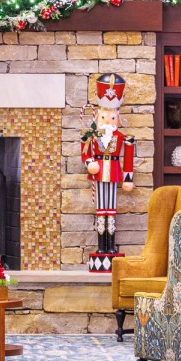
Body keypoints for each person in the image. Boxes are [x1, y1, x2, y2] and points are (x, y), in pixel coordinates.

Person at [80, 73, 134, 273]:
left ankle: (110, 247)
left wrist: (128, 178)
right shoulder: (91, 135)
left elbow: (128, 158)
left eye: (113, 117)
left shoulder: (123, 137)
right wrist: (89, 163)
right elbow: (84, 152)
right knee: (100, 211)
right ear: (97, 116)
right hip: (99, 174)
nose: (109, 120)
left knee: (111, 212)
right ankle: (101, 247)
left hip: (113, 176)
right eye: (105, 116)